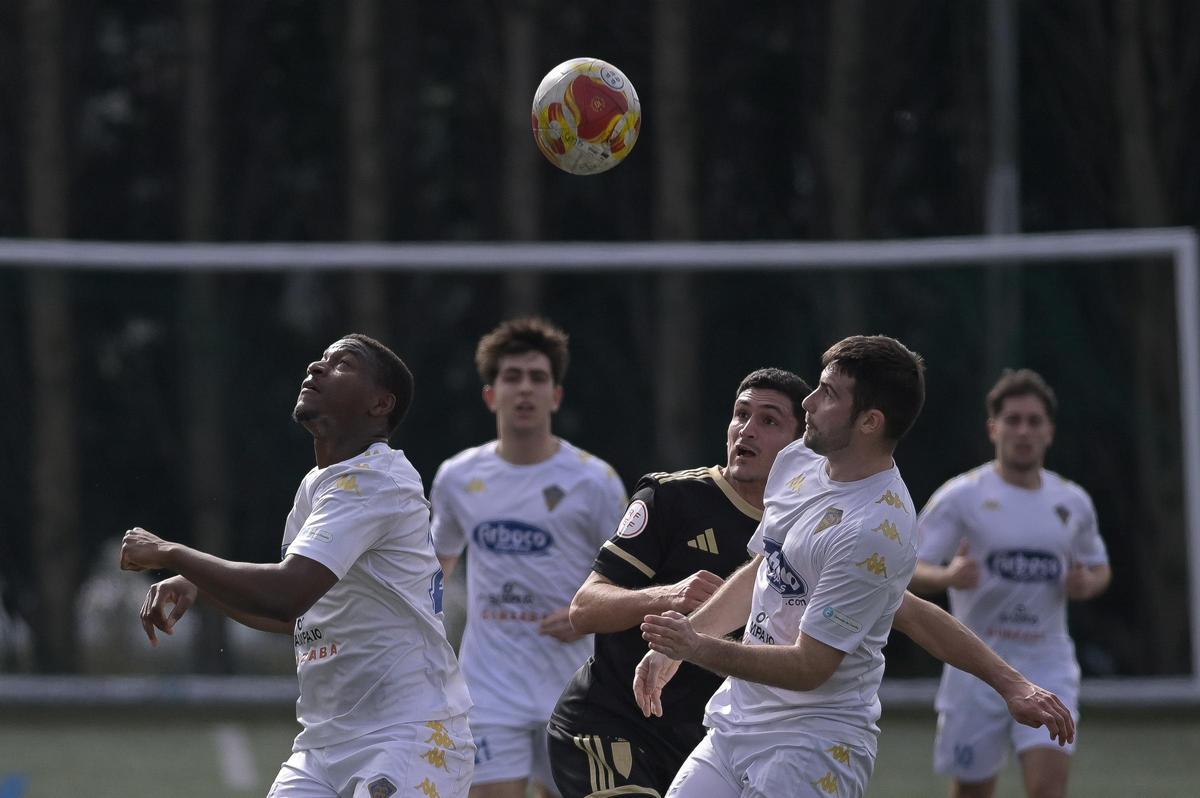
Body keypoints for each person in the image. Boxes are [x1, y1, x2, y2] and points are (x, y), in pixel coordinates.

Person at [632, 336, 1075, 798]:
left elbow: (810, 667)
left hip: (813, 748)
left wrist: (696, 647)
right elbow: (766, 569)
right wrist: (678, 644)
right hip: (735, 725)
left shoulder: (875, 529)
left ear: (869, 422)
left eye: (828, 393)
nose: (807, 402)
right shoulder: (799, 460)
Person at [120, 334, 474, 798]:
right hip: (322, 746)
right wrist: (202, 586)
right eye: (321, 359)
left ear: (380, 403)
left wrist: (171, 553)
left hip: (408, 735)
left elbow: (286, 591)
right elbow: (293, 615)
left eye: (342, 363)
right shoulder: (318, 486)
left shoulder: (375, 480)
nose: (316, 367)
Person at [548, 367, 812, 798]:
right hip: (614, 725)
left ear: (800, 445)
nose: (746, 430)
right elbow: (584, 608)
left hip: (712, 743)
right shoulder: (671, 498)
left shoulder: (807, 531)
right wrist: (667, 594)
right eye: (740, 415)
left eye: (768, 421)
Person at [430, 318, 626, 798]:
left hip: (576, 687)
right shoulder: (458, 477)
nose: (525, 388)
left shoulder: (595, 481)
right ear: (490, 395)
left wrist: (587, 616)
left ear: (555, 396)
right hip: (489, 689)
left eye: (537, 378)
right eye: (512, 377)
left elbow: (633, 580)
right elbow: (435, 569)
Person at [908, 368, 1111, 798]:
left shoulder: (1071, 502)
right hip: (976, 663)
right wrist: (947, 576)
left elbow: (1099, 566)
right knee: (973, 791)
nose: (1023, 431)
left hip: (1047, 661)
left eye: (1034, 421)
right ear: (993, 427)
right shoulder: (962, 496)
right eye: (1013, 420)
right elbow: (909, 568)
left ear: (1049, 432)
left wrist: (1086, 584)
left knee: (1046, 790)